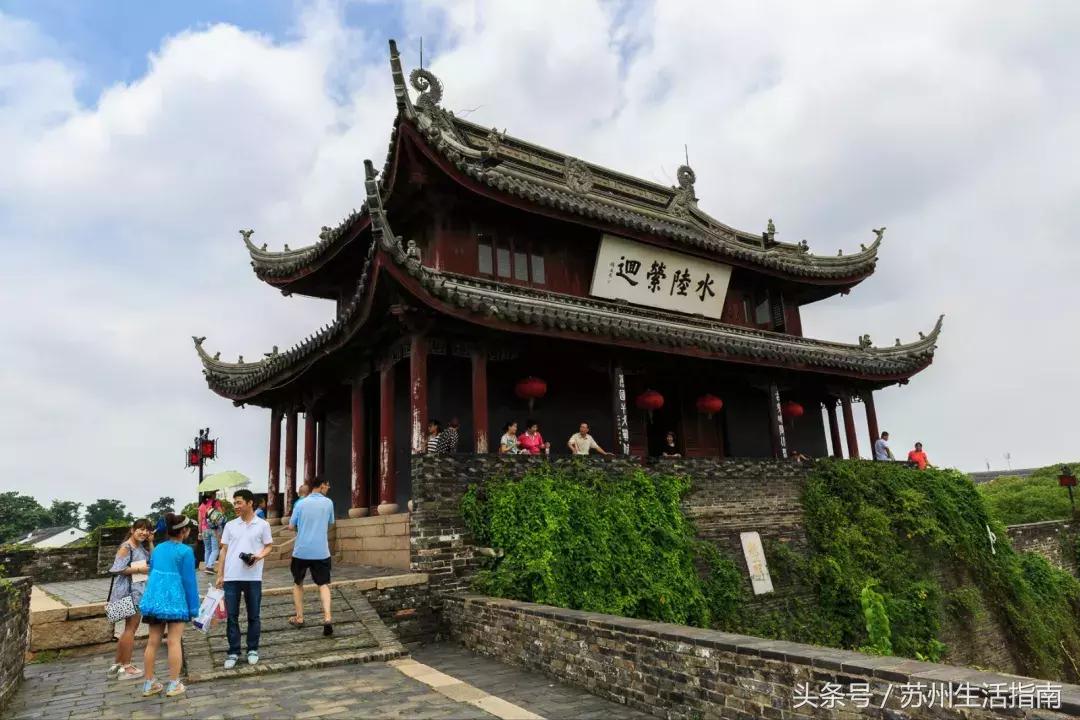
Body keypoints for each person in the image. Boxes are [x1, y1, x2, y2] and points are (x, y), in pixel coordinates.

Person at [138, 513, 199, 699]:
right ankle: (173, 683)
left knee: (152, 641)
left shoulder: (157, 550)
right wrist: (194, 608)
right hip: (175, 602)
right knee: (174, 641)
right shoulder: (186, 551)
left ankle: (149, 683)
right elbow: (189, 581)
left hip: (154, 601)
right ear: (184, 531)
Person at [215, 489, 273, 669]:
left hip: (253, 577)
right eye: (235, 503)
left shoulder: (263, 525)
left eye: (239, 502)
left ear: (250, 503)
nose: (236, 506)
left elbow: (269, 546)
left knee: (253, 615)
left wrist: (258, 556)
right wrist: (220, 574)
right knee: (232, 616)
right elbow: (224, 550)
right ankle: (233, 651)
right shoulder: (230, 525)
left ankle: (253, 649)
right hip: (232, 576)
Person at [106, 519, 153, 681]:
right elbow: (117, 568)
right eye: (140, 529)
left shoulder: (138, 546)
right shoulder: (126, 547)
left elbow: (152, 560)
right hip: (130, 592)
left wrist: (151, 542)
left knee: (128, 629)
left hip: (137, 590)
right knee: (130, 629)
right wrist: (140, 569)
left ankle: (118, 664)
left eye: (147, 530)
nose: (144, 533)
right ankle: (126, 665)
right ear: (132, 530)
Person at [288, 477, 336, 636]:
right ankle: (327, 618)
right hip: (321, 550)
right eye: (328, 485)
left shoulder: (300, 503)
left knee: (298, 583)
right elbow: (330, 522)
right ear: (322, 485)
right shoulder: (328, 503)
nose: (328, 488)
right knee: (323, 584)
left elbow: (290, 526)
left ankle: (300, 617)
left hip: (301, 550)